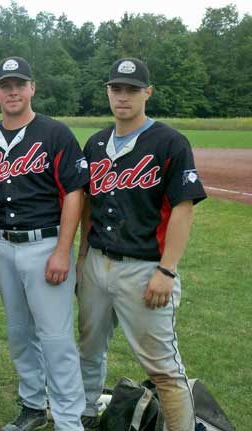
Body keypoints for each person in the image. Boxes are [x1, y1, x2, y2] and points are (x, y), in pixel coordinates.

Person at [77, 58, 206, 431]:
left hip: (145, 268)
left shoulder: (169, 142)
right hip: (97, 262)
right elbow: (88, 206)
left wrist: (166, 270)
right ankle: (85, 414)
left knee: (163, 366)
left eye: (132, 89)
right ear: (107, 92)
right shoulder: (97, 142)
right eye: (116, 89)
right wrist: (82, 257)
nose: (123, 96)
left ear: (147, 92)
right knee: (88, 349)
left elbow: (183, 210)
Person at [0, 56, 88, 431]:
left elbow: (74, 193)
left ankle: (69, 420)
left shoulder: (55, 133)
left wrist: (62, 251)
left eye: (19, 84)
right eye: (5, 85)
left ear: (32, 88)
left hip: (44, 245)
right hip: (2, 245)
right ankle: (33, 405)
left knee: (55, 338)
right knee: (19, 333)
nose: (12, 91)